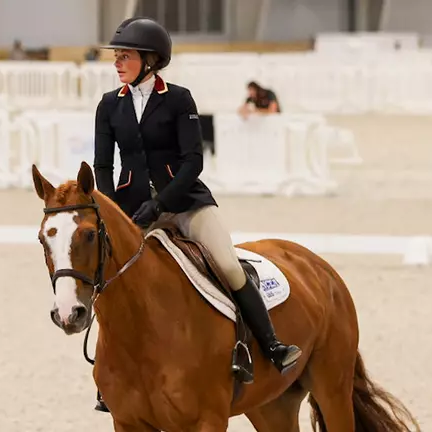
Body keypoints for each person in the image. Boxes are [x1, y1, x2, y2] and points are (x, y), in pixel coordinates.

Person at [91, 17, 302, 413]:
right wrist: (115, 210)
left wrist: (163, 201)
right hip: (133, 209)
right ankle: (111, 373)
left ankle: (268, 345)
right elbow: (103, 164)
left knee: (228, 265)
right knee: (111, 280)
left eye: (125, 56)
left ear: (150, 60)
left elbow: (193, 161)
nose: (117, 63)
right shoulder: (109, 105)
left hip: (187, 203)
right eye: (117, 57)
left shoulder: (178, 99)